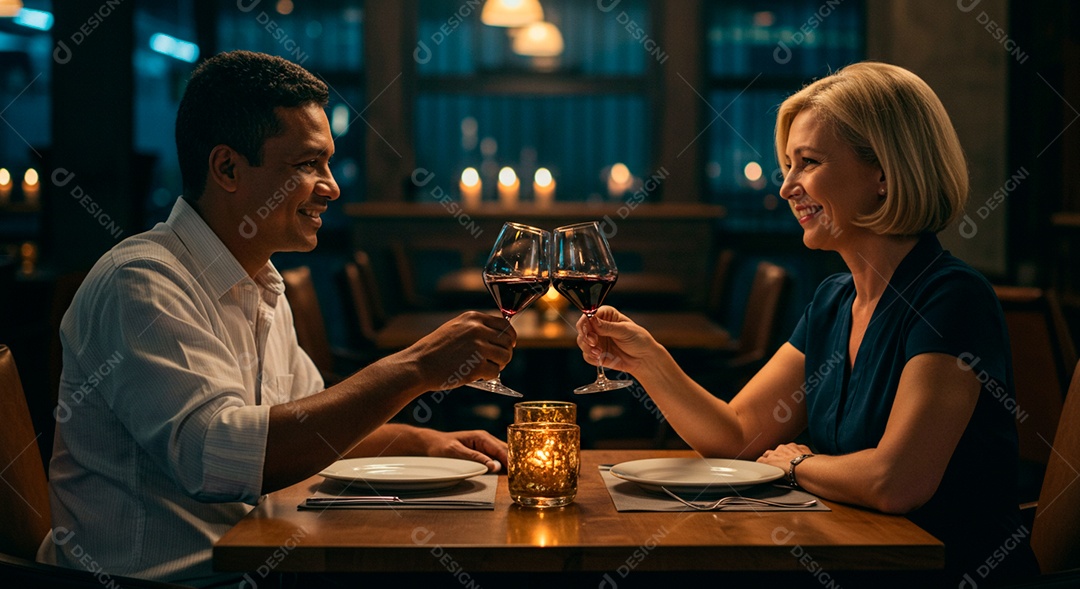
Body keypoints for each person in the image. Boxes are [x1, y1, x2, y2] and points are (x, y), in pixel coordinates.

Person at [38, 50, 515, 586]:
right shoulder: (142, 282)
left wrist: (418, 441)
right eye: (307, 164)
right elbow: (218, 459)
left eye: (328, 162)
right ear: (227, 169)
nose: (332, 185)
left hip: (256, 565)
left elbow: (307, 430)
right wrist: (415, 368)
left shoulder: (259, 280)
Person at [576, 62, 1038, 585]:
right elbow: (739, 438)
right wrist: (648, 361)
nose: (787, 188)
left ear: (884, 175)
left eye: (809, 163)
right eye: (788, 166)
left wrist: (795, 465)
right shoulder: (833, 300)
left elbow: (895, 481)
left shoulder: (953, 297)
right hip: (856, 562)